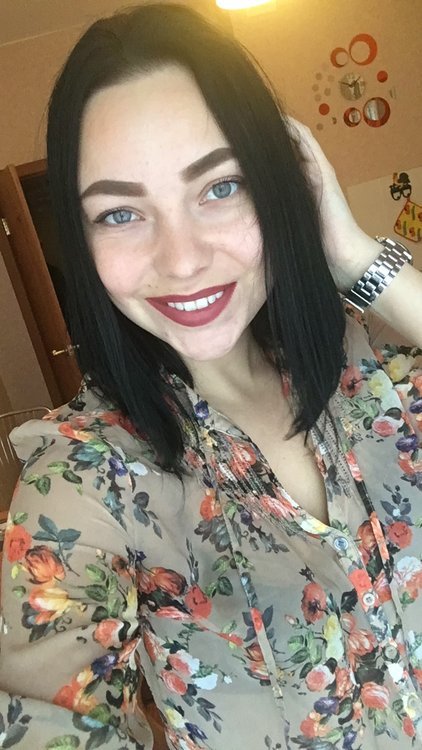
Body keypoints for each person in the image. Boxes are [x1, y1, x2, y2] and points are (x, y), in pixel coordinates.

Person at [0, 4, 421, 749]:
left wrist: (354, 254)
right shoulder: (83, 482)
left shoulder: (373, 375)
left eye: (221, 187)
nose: (183, 258)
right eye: (120, 214)